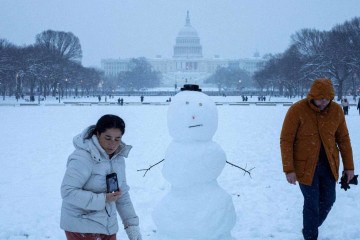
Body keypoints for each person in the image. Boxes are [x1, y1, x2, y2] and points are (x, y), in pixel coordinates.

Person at [280, 78, 355, 240]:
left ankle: (310, 226)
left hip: (329, 165)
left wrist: (349, 167)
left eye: (327, 99)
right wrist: (289, 169)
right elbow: (286, 140)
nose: (323, 103)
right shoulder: (297, 110)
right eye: (320, 99)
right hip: (305, 167)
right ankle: (310, 235)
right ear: (312, 95)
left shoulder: (336, 110)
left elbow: (343, 139)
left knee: (329, 200)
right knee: (312, 203)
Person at [60, 114, 142, 240]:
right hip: (81, 226)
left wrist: (132, 227)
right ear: (98, 134)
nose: (112, 144)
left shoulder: (118, 158)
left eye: (117, 139)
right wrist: (103, 199)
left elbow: (122, 194)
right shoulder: (82, 157)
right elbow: (68, 192)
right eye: (108, 138)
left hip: (107, 227)